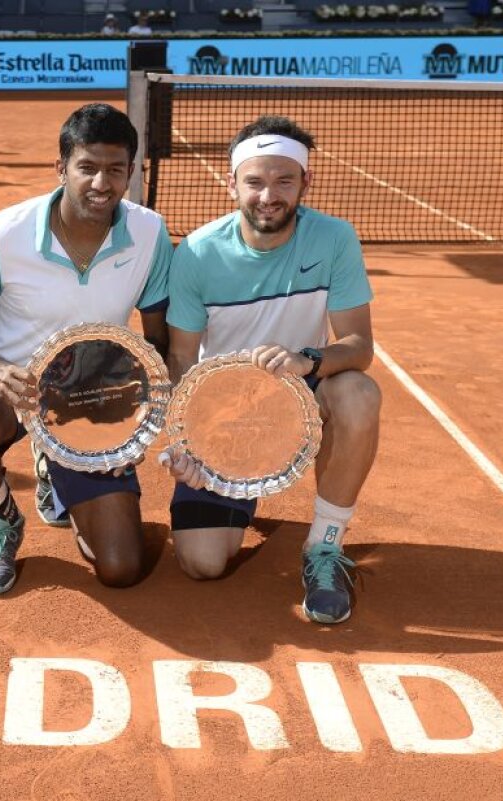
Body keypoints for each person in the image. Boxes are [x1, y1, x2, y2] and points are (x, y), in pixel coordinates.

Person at [0, 103, 172, 596]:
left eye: (115, 170)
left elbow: (158, 340)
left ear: (131, 171)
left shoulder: (150, 233)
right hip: (11, 381)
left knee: (121, 568)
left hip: (91, 398)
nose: (101, 183)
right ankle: (0, 516)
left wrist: (132, 424)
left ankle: (55, 462)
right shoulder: (4, 234)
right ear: (61, 167)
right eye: (87, 167)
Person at [162, 115, 381, 625]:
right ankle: (243, 483)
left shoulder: (334, 239)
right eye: (255, 181)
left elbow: (359, 346)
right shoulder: (196, 252)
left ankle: (324, 547)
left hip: (301, 389)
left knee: (358, 393)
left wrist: (309, 359)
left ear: (306, 181)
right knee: (202, 563)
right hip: (223, 413)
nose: (268, 195)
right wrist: (185, 440)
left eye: (284, 181)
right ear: (232, 183)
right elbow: (180, 360)